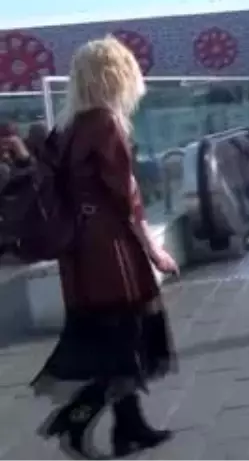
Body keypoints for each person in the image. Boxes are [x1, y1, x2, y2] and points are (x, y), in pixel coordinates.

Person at [31, 36, 179, 459]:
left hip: (80, 258)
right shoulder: (106, 125)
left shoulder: (68, 127)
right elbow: (126, 202)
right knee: (125, 346)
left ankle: (129, 430)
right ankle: (72, 425)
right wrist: (156, 253)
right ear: (117, 75)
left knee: (113, 343)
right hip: (111, 254)